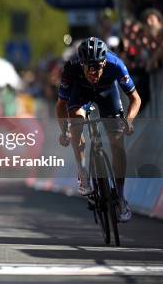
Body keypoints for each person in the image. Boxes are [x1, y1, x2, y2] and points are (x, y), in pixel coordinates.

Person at [56, 37, 140, 223]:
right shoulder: (71, 68)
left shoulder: (115, 64)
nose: (94, 73)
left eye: (98, 68)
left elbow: (136, 99)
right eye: (89, 68)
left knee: (117, 142)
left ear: (104, 62)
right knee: (76, 122)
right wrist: (64, 130)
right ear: (82, 64)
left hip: (107, 94)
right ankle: (83, 172)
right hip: (81, 94)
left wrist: (129, 120)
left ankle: (120, 196)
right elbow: (61, 105)